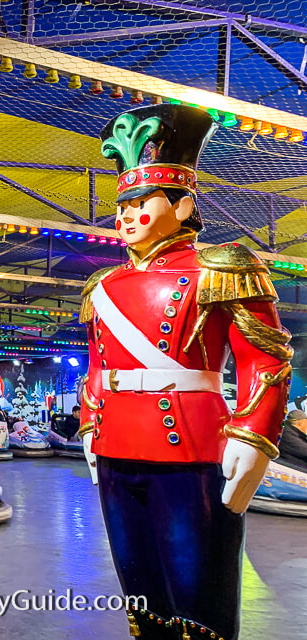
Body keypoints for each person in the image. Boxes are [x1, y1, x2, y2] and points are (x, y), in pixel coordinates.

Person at [80, 104, 291, 640]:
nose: (126, 215)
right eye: (122, 204)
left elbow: (264, 357)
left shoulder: (223, 269)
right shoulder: (102, 286)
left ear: (183, 204)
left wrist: (254, 435)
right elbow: (98, 368)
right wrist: (89, 424)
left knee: (198, 590)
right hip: (113, 445)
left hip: (192, 446)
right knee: (139, 585)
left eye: (141, 202)